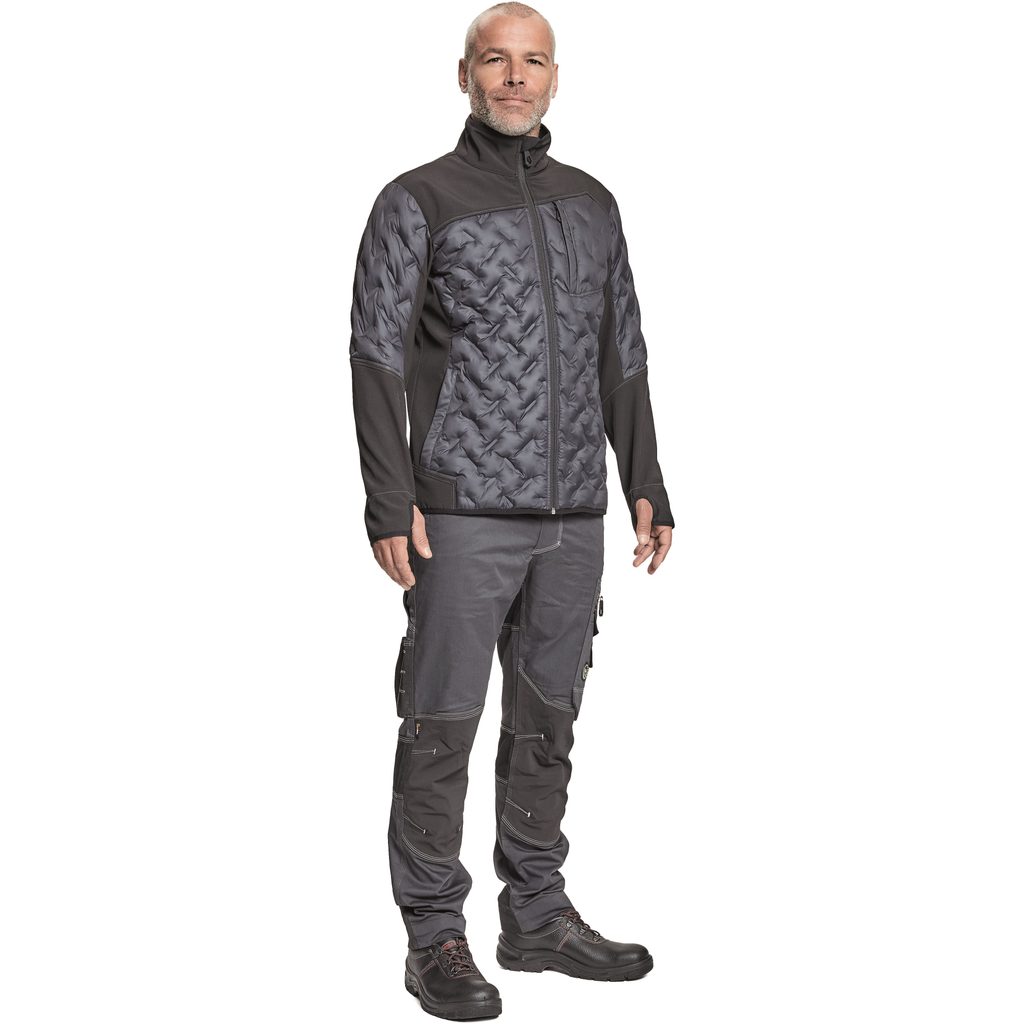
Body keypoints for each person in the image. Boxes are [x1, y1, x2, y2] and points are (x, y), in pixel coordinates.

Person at [348, 3, 675, 1017]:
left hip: (574, 514)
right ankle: (433, 937)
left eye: (534, 61)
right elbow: (374, 354)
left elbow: (622, 348)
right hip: (459, 514)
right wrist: (389, 501)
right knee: (440, 724)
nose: (515, 77)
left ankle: (535, 916)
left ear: (555, 77)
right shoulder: (418, 200)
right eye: (496, 60)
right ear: (466, 76)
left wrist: (646, 479)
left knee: (547, 722)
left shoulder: (593, 204)